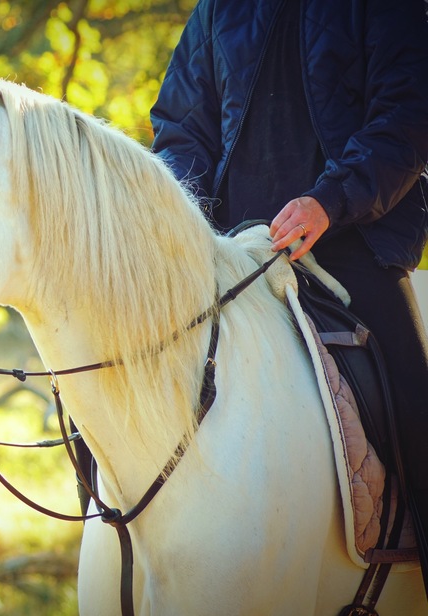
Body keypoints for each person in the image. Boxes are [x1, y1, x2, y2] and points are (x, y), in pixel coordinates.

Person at [150, 0, 428, 598]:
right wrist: (189, 220)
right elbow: (180, 127)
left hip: (354, 243)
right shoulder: (217, 9)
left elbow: (407, 119)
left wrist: (328, 201)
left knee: (418, 407)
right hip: (228, 254)